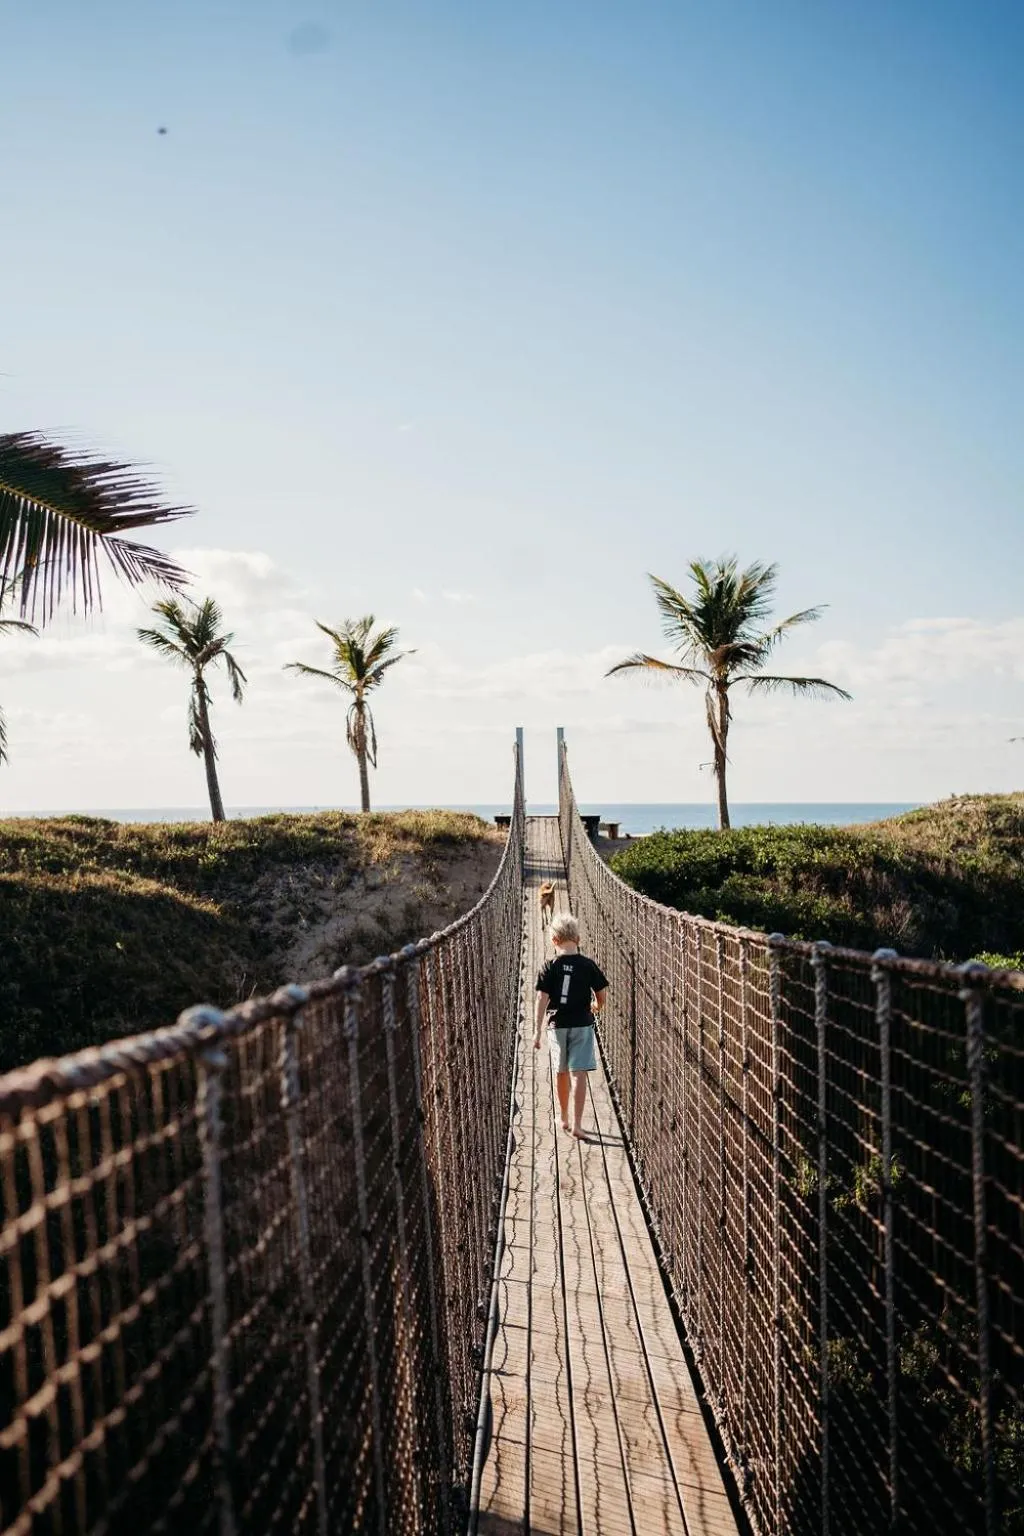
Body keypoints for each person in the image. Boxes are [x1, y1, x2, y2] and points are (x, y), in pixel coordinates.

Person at [534, 912, 608, 1139]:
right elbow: (601, 995)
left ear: (554, 940)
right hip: (582, 1026)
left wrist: (537, 1030)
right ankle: (577, 1124)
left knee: (561, 1072)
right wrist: (596, 1006)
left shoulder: (549, 966)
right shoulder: (588, 965)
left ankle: (563, 1117)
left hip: (557, 1026)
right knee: (579, 1075)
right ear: (578, 938)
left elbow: (541, 1000)